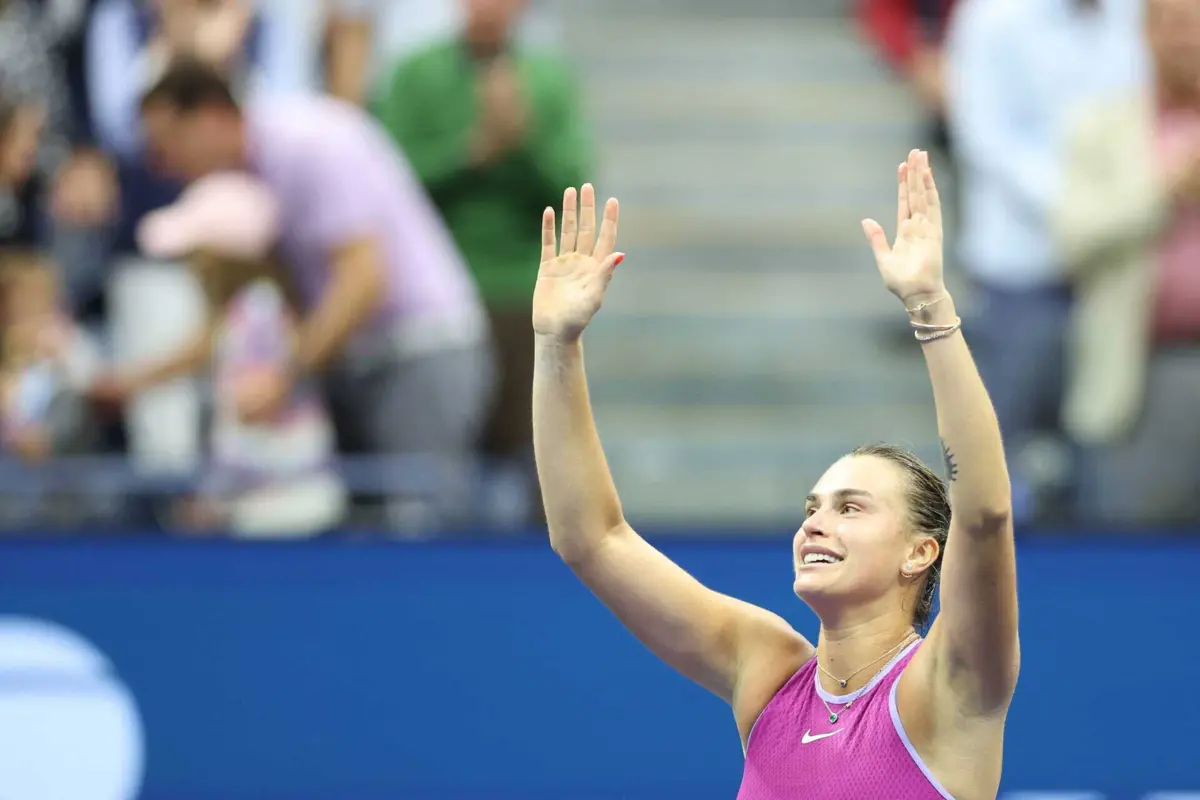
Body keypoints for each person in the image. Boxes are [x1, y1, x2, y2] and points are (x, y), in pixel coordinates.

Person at [532, 152, 1017, 798]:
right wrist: (557, 345)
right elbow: (590, 539)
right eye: (813, 506)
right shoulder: (766, 668)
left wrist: (930, 305)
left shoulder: (952, 684)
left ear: (921, 552)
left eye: (851, 508)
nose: (816, 522)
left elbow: (982, 512)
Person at [106, 58, 493, 530]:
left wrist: (283, 377)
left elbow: (364, 282)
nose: (162, 166)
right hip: (366, 363)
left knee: (421, 531)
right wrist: (134, 383)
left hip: (420, 357)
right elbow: (230, 329)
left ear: (209, 116)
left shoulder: (307, 143)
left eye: (166, 146)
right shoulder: (257, 176)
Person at [376, 0, 590, 526]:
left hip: (520, 291)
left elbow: (572, 182)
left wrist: (519, 144)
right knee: (437, 454)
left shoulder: (548, 80)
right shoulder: (414, 74)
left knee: (535, 449)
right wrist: (469, 154)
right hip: (431, 294)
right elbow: (387, 182)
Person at [135, 171, 347, 538]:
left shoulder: (258, 311)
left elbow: (252, 405)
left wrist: (213, 496)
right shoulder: (244, 312)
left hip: (284, 509)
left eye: (195, 254)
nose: (190, 267)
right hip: (269, 508)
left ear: (222, 257)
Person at [1054, 0, 1200, 524]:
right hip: (1141, 374)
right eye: (1173, 24)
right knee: (1139, 547)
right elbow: (1073, 240)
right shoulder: (1102, 124)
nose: (1187, 37)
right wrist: (1167, 192)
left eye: (1196, 24)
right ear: (1146, 33)